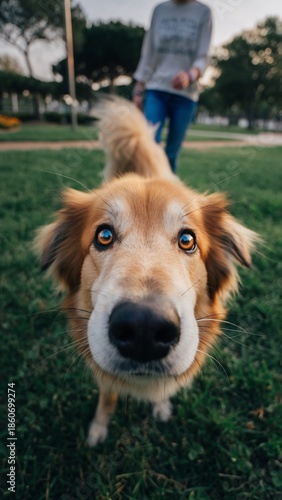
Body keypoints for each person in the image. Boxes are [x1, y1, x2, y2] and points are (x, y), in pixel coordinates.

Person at [133, 0, 212, 172]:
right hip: (156, 89)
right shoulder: (160, 10)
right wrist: (138, 90)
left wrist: (189, 75)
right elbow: (148, 54)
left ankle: (167, 194)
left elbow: (203, 57)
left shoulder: (203, 12)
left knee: (171, 153)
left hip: (185, 94)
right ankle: (145, 194)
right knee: (148, 148)